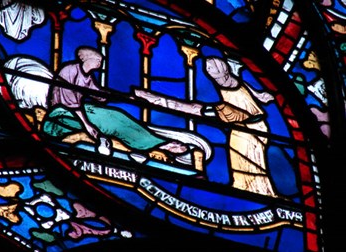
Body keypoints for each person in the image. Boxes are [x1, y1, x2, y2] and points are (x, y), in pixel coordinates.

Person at [43, 46, 188, 157]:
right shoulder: (69, 70)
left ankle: (156, 143)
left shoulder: (88, 77)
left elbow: (101, 95)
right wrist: (87, 126)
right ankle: (158, 145)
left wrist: (127, 98)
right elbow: (70, 102)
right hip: (61, 115)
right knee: (110, 121)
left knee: (117, 115)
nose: (100, 62)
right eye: (98, 60)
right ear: (88, 60)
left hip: (80, 110)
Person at [204, 57, 278, 197]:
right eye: (207, 68)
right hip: (242, 125)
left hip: (252, 126)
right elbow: (254, 93)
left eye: (210, 67)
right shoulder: (229, 81)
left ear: (220, 69)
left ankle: (260, 191)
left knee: (251, 158)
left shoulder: (229, 83)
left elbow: (246, 98)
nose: (208, 70)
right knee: (239, 156)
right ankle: (243, 186)